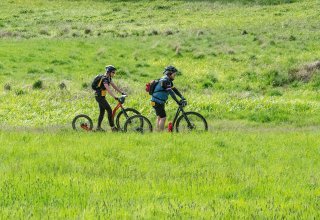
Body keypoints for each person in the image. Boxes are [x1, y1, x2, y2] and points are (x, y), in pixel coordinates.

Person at [151, 66, 186, 131]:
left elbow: (174, 89)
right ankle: (160, 134)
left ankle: (158, 131)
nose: (175, 76)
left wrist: (182, 97)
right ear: (170, 73)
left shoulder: (167, 80)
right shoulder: (165, 81)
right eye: (174, 74)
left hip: (156, 101)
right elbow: (171, 92)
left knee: (159, 116)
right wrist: (177, 101)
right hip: (157, 101)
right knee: (163, 118)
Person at [94, 65, 126, 131]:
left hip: (101, 96)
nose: (114, 73)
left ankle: (98, 127)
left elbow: (114, 86)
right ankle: (112, 127)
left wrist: (122, 92)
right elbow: (108, 89)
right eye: (113, 72)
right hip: (99, 96)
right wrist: (114, 96)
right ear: (109, 72)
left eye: (114, 72)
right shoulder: (105, 79)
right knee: (109, 110)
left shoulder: (109, 78)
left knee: (102, 112)